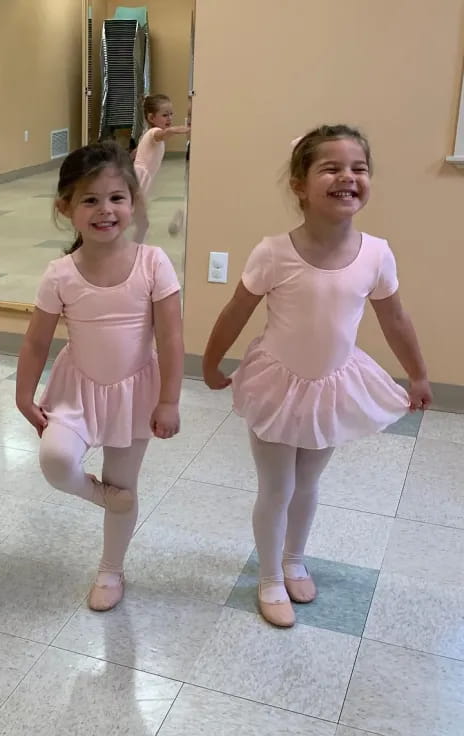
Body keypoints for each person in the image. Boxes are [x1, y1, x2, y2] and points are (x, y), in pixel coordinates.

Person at [202, 125, 431, 626]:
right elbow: (236, 311)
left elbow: (395, 318)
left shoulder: (376, 253)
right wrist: (210, 360)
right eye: (331, 167)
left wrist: (416, 374)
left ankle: (293, 559)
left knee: (308, 484)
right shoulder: (273, 252)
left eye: (359, 168)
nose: (348, 177)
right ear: (300, 185)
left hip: (330, 386)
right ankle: (268, 575)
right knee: (277, 487)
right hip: (277, 384)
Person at [16, 142, 184, 611]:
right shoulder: (60, 274)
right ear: (65, 208)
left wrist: (168, 400)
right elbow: (35, 341)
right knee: (55, 461)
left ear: (133, 202)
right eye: (89, 199)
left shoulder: (154, 263)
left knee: (124, 482)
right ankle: (98, 495)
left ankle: (111, 568)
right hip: (77, 390)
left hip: (136, 392)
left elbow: (171, 339)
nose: (105, 210)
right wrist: (23, 394)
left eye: (116, 198)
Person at [133, 94, 190, 241]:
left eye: (171, 114)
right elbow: (165, 133)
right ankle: (134, 243)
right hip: (140, 177)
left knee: (140, 218)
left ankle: (137, 243)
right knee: (136, 216)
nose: (169, 118)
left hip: (141, 177)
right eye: (165, 115)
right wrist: (185, 129)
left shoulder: (146, 135)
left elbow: (136, 152)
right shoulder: (154, 133)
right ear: (151, 118)